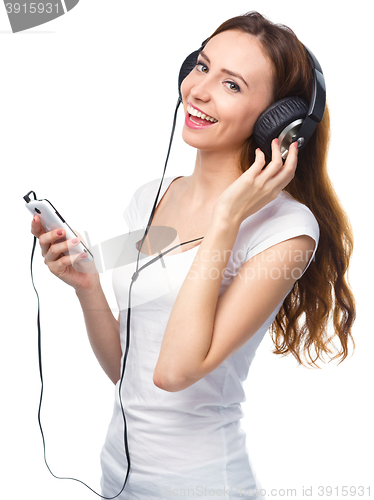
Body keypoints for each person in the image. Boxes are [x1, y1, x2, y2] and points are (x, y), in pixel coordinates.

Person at [30, 11, 356, 500]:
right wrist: (89, 285)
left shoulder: (287, 232)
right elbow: (130, 367)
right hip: (118, 478)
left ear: (280, 122)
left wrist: (226, 219)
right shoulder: (154, 198)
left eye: (232, 85)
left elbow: (174, 372)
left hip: (204, 486)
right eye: (201, 67)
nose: (198, 91)